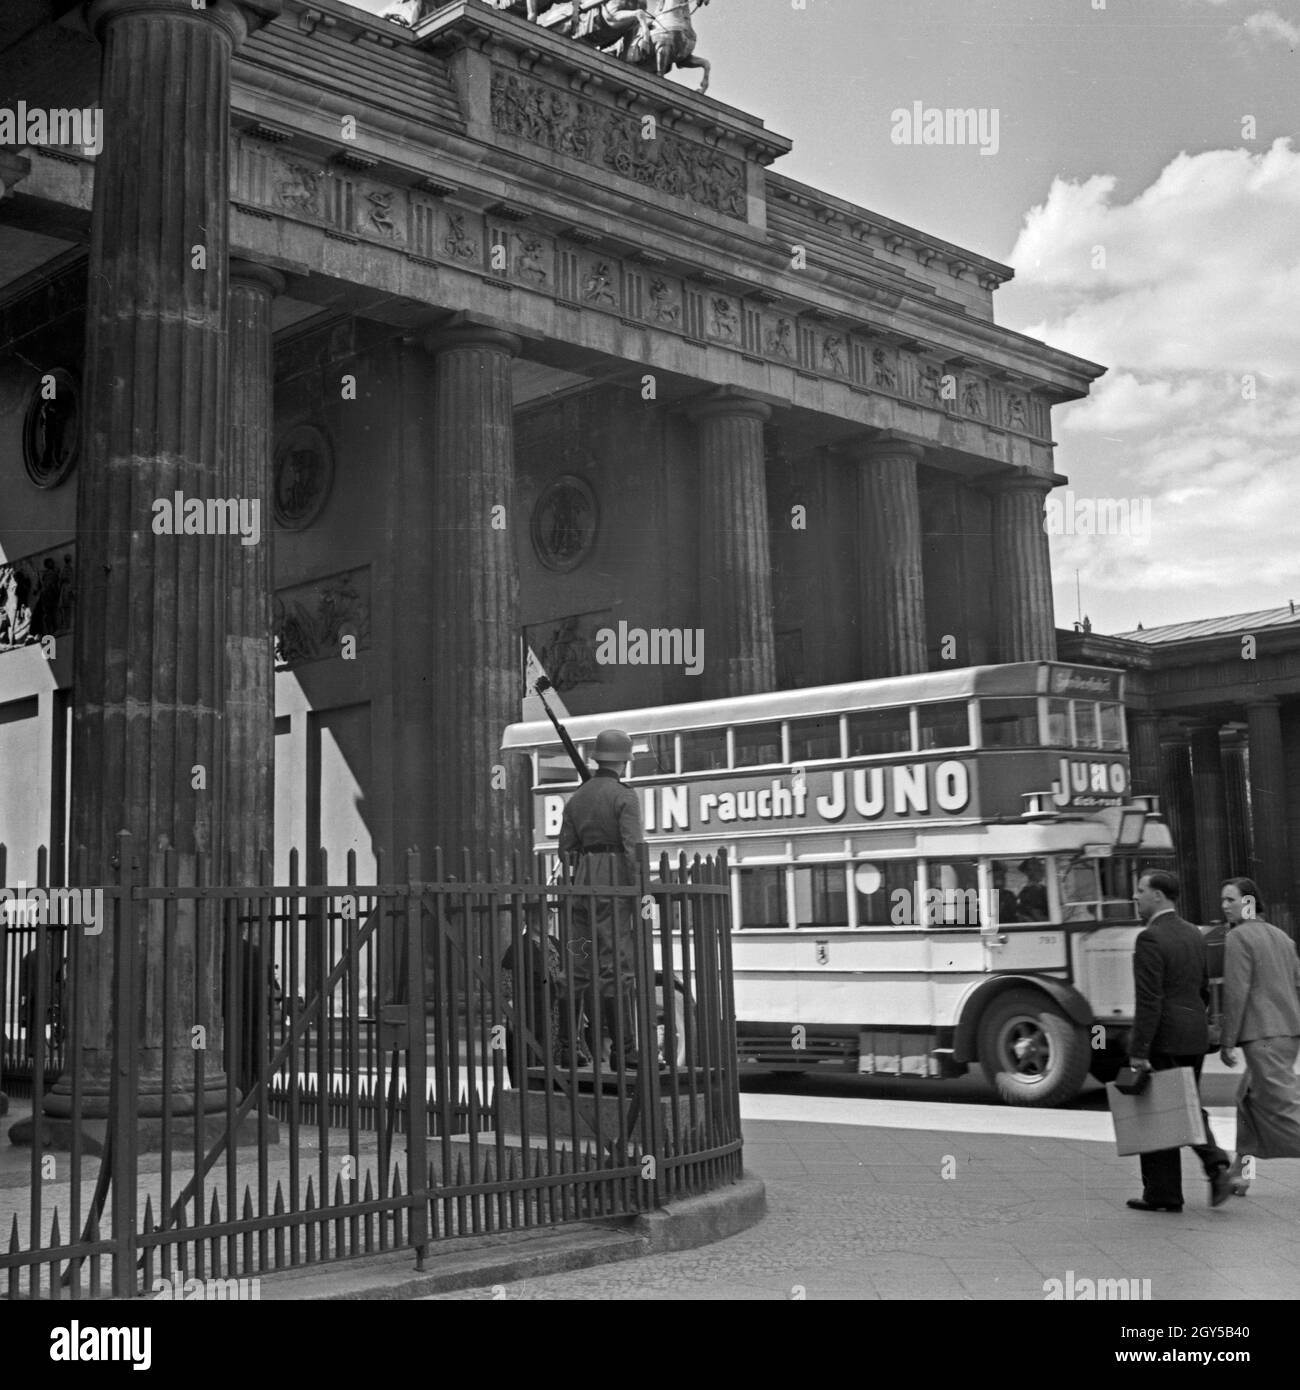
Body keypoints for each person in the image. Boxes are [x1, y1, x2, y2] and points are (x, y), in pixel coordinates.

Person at [1125, 869, 1231, 1212]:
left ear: (1158, 896)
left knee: (1170, 1109)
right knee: (1177, 1104)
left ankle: (1213, 1165)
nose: (1136, 897)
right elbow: (1201, 987)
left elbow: (1149, 999)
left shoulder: (1150, 938)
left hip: (1165, 1037)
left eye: (1141, 890)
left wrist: (1139, 1051)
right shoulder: (1193, 933)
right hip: (1193, 1035)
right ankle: (1163, 1193)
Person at [558, 728, 645, 1069]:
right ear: (623, 761)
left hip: (582, 881)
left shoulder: (577, 798)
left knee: (578, 963)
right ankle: (623, 1051)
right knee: (616, 964)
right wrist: (640, 890)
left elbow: (565, 849)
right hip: (613, 882)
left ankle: (568, 1047)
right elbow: (632, 847)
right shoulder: (625, 796)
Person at [1217, 877, 1300, 1195]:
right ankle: (1241, 1173)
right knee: (1247, 1101)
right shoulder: (1282, 937)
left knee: (1280, 1109)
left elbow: (1236, 993)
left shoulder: (1239, 937)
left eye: (1230, 899)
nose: (1224, 906)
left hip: (1263, 1035)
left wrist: (1227, 1041)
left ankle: (1240, 1172)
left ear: (1249, 902)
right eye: (1223, 900)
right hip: (1286, 1033)